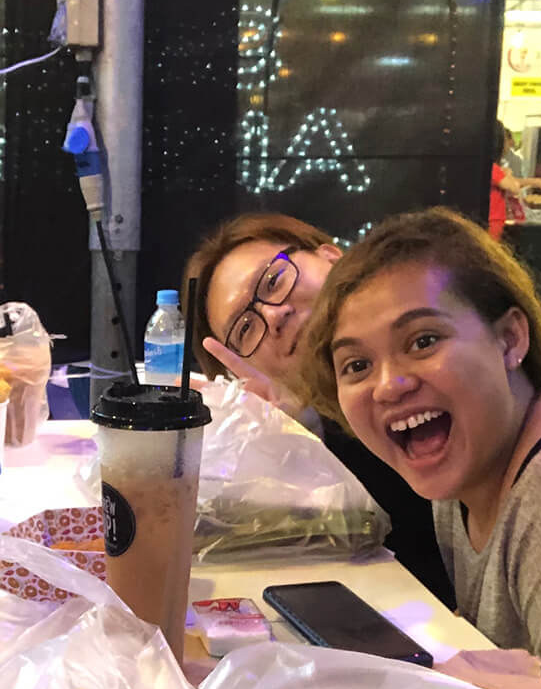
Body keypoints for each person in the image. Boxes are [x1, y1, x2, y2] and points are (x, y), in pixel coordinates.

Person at [304, 207, 541, 689]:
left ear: (510, 338)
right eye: (356, 365)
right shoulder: (460, 480)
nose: (388, 385)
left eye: (423, 340)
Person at [186, 213, 456, 607]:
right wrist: (294, 443)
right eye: (245, 328)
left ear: (330, 256)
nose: (273, 316)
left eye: (274, 281)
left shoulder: (444, 327)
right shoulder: (315, 433)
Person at [490, 119, 541, 240]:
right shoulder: (493, 168)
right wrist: (507, 174)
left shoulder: (488, 167)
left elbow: (516, 182)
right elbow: (514, 187)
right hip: (494, 220)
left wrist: (540, 182)